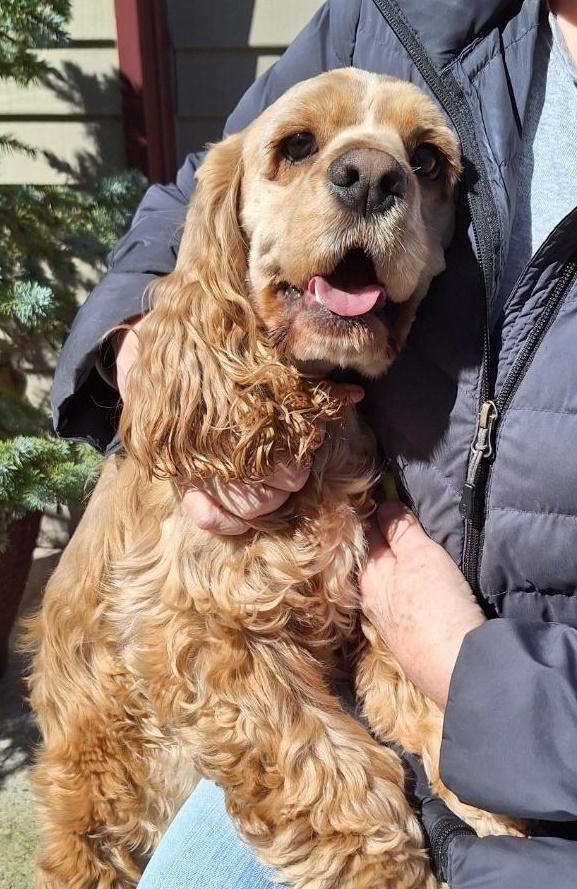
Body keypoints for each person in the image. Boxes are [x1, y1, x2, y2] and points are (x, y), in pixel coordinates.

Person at [51, 1, 577, 886]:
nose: (371, 176)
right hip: (270, 716)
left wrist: (465, 668)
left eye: (423, 166)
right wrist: (146, 349)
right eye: (302, 149)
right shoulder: (414, 12)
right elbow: (193, 195)